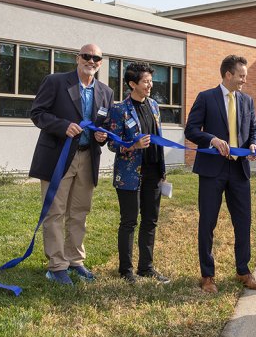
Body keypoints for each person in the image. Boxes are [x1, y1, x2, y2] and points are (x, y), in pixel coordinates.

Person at [29, 44, 114, 285]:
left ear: (100, 62)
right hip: (58, 157)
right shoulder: (55, 82)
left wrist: (103, 135)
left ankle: (75, 260)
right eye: (86, 56)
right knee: (55, 212)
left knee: (79, 212)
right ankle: (56, 266)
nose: (91, 61)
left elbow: (105, 123)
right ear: (78, 58)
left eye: (96, 57)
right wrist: (62, 126)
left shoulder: (106, 92)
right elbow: (38, 113)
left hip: (88, 157)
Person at [185, 54, 256, 293]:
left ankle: (243, 270)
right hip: (211, 171)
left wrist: (253, 145)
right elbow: (191, 130)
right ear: (228, 74)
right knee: (208, 222)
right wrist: (212, 139)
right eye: (241, 76)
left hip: (239, 171)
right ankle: (207, 276)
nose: (244, 81)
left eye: (245, 76)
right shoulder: (206, 98)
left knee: (243, 222)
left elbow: (254, 131)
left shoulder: (247, 101)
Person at [107, 62, 170, 285]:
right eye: (146, 81)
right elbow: (112, 145)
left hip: (153, 171)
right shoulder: (119, 109)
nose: (150, 85)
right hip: (129, 174)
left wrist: (163, 170)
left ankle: (146, 267)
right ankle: (126, 270)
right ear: (132, 84)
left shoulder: (154, 105)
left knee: (150, 220)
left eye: (151, 81)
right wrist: (132, 145)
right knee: (129, 221)